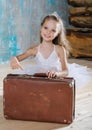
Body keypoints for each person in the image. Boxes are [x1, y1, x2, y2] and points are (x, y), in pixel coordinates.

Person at [10, 12, 92, 87]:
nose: (48, 32)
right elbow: (17, 58)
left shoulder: (60, 49)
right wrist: (14, 60)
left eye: (53, 30)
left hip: (56, 79)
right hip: (41, 78)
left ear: (57, 33)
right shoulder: (34, 50)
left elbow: (66, 71)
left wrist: (56, 74)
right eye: (46, 28)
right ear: (41, 28)